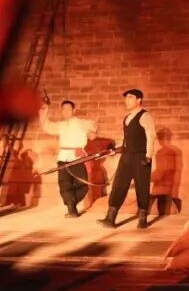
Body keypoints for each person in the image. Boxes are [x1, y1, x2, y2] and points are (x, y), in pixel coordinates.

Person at [98, 89, 156, 229]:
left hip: (141, 157)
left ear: (139, 100)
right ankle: (110, 218)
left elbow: (151, 135)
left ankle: (142, 219)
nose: (127, 100)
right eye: (126, 98)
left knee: (142, 186)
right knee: (119, 185)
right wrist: (116, 150)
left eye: (130, 97)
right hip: (127, 156)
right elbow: (127, 140)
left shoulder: (145, 115)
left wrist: (148, 156)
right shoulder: (127, 118)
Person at [38, 99, 98, 217]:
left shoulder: (81, 123)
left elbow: (93, 131)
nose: (65, 111)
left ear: (74, 110)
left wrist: (91, 133)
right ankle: (71, 208)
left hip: (78, 158)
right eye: (63, 109)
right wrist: (44, 113)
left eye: (68, 109)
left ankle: (72, 203)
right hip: (63, 158)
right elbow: (47, 127)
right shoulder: (61, 125)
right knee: (64, 185)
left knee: (83, 185)